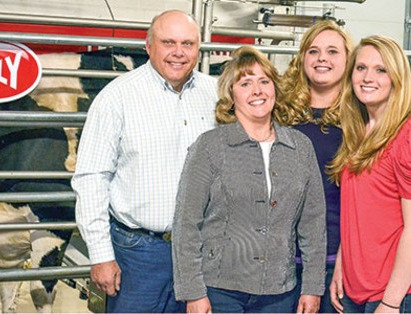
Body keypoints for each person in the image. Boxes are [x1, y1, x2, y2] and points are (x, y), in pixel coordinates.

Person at [71, 10, 218, 313]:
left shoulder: (215, 93)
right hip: (137, 254)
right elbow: (91, 179)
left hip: (200, 251)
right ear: (148, 46)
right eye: (168, 42)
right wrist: (100, 255)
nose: (178, 53)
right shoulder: (117, 97)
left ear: (199, 48)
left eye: (188, 44)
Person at [172, 45, 327, 314]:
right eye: (245, 83)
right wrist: (193, 292)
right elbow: (186, 224)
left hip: (280, 293)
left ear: (275, 90)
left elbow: (313, 225)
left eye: (264, 81)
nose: (257, 90)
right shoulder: (210, 146)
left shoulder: (300, 147)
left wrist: (312, 287)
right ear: (231, 96)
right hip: (219, 291)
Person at [329, 35, 411, 313]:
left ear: (396, 78)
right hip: (355, 291)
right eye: (361, 68)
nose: (367, 77)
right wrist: (343, 264)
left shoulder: (405, 135)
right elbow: (358, 214)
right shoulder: (358, 133)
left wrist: (391, 302)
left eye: (381, 70)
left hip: (393, 294)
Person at [278, 20, 354, 313]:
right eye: (314, 51)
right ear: (302, 59)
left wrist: (346, 259)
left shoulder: (359, 120)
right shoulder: (279, 113)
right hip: (278, 263)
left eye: (333, 51)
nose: (322, 58)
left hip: (334, 262)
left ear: (348, 60)